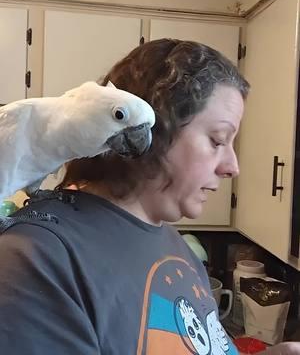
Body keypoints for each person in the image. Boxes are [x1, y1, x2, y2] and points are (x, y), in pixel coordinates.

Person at [0, 38, 298, 355]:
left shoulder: (177, 247)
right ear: (158, 138)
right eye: (217, 140)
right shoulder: (36, 263)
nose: (232, 167)